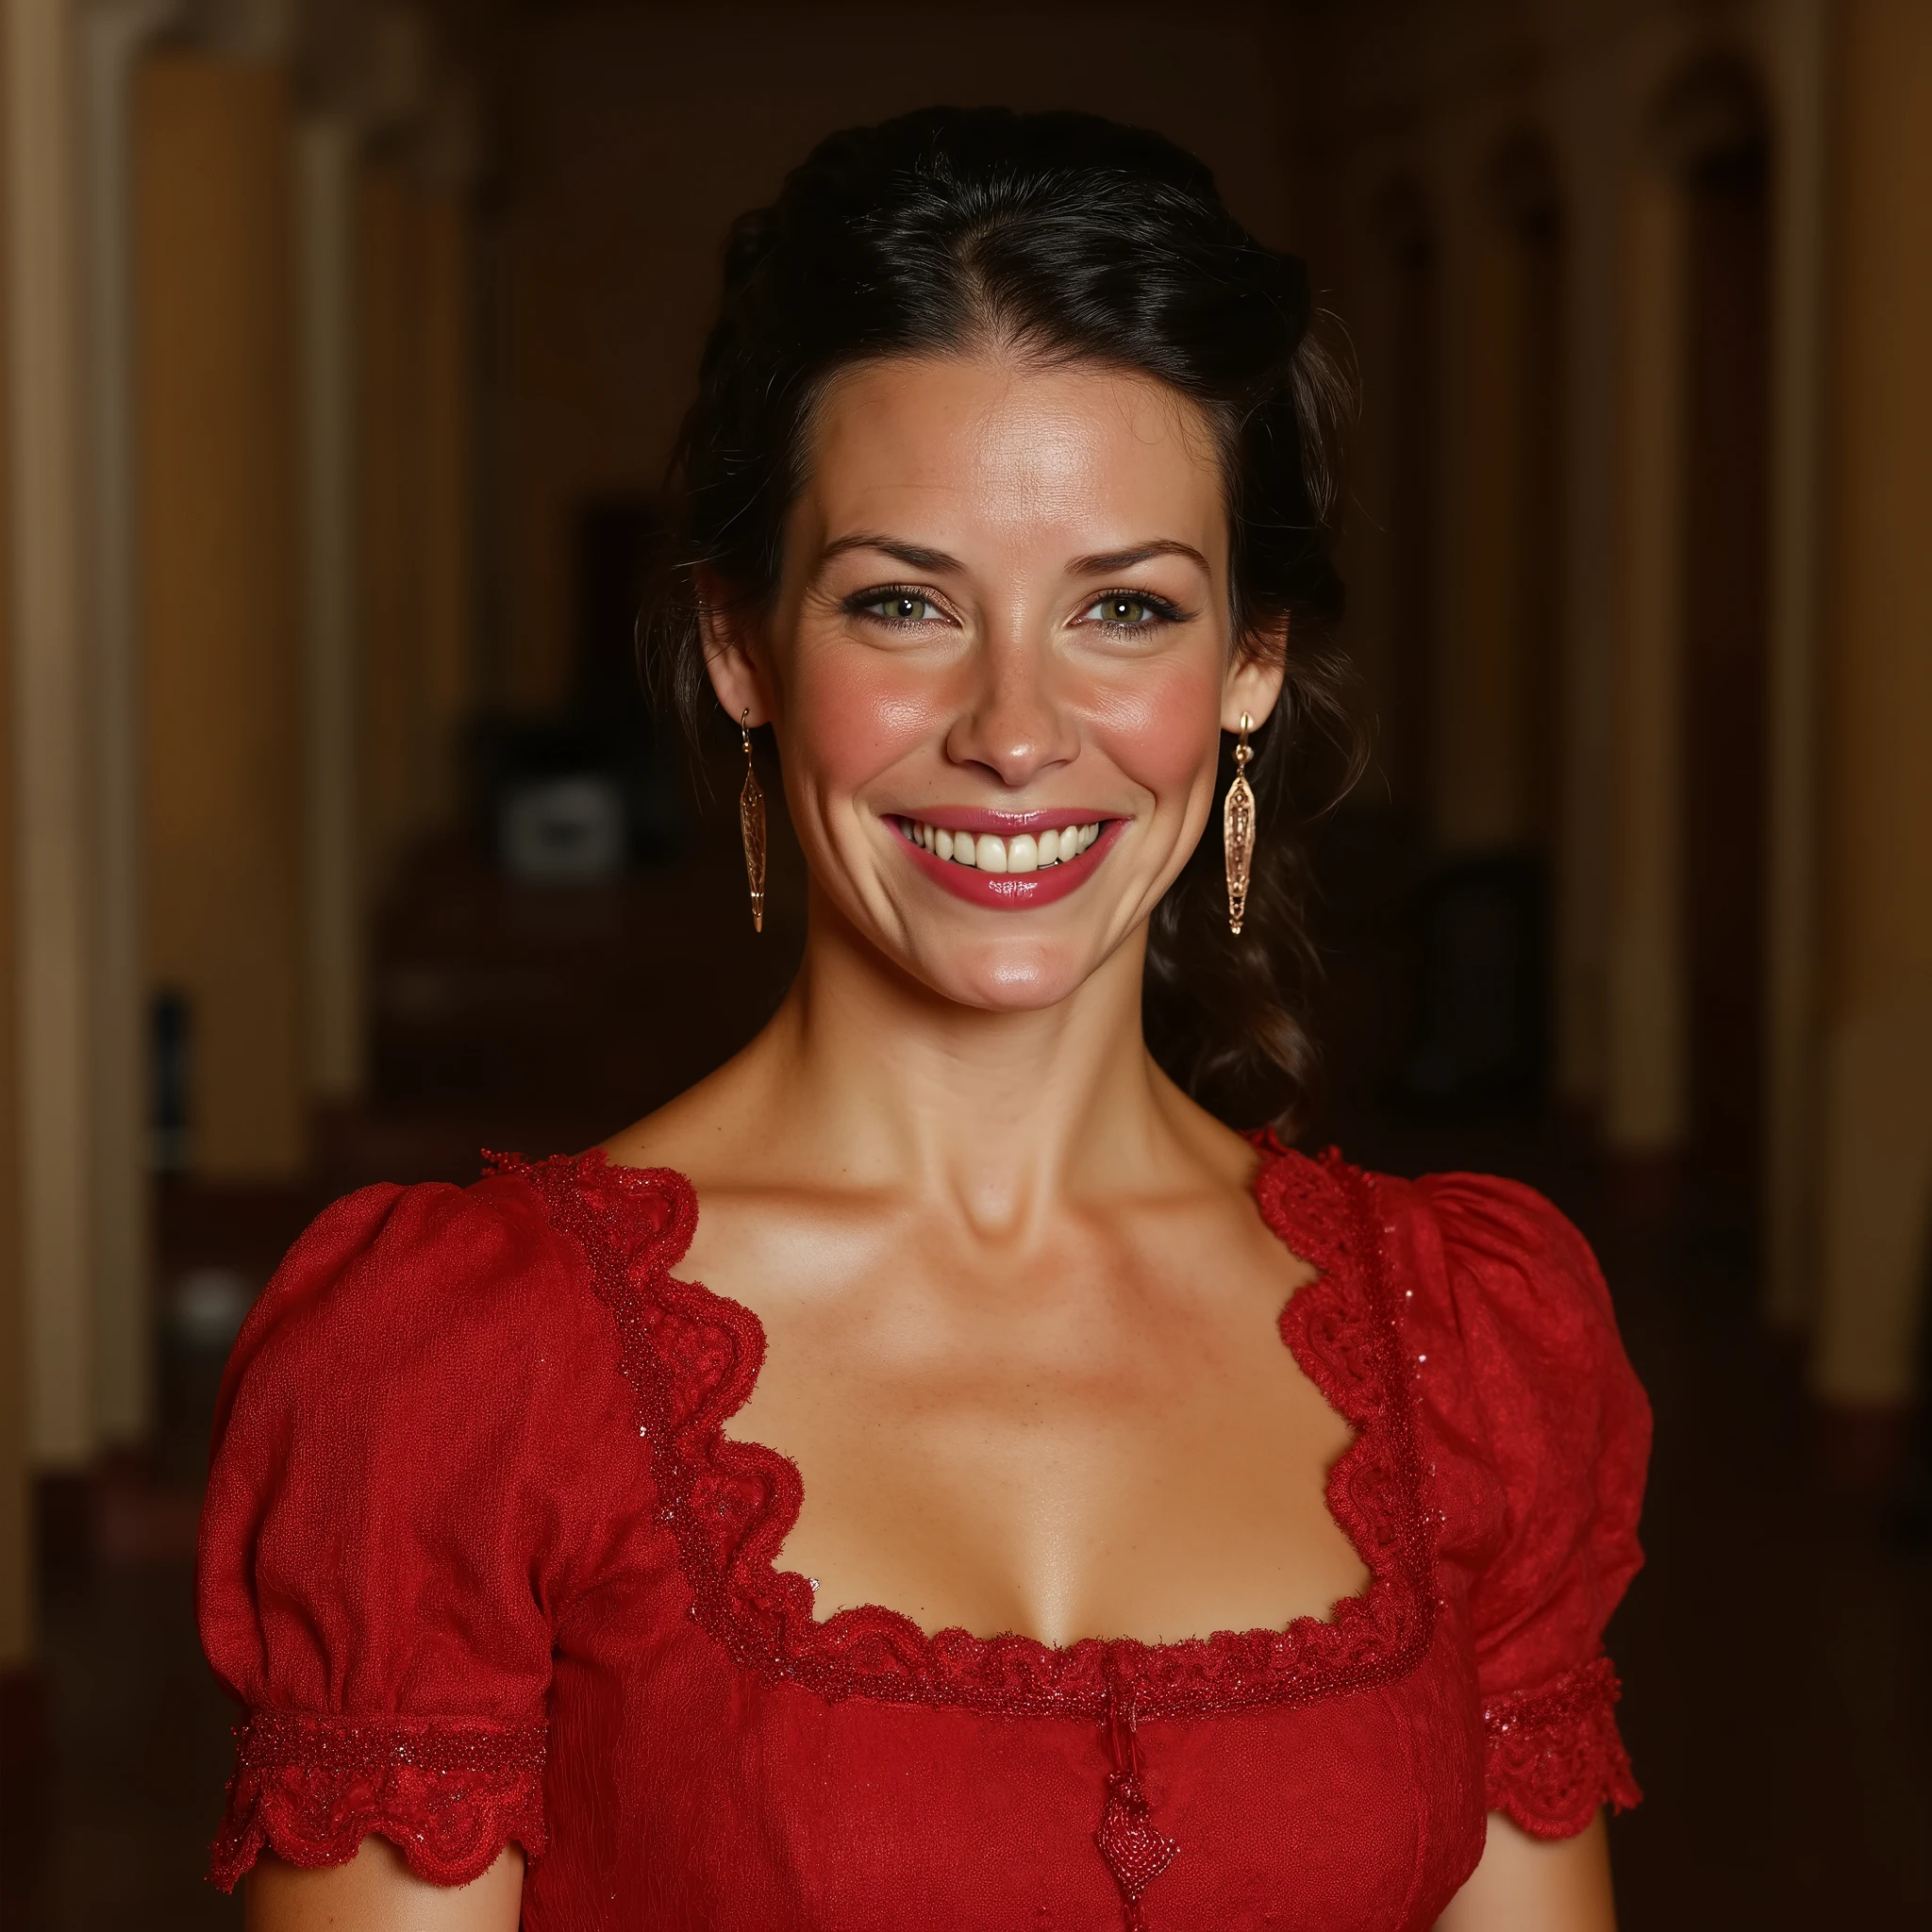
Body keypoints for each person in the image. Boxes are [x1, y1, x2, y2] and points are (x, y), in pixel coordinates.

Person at [198, 108, 1649, 1931]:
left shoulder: (1477, 1349)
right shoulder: (461, 1375)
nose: (1017, 729)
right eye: (903, 603)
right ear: (743, 645)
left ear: (1253, 661)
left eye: (1125, 608)